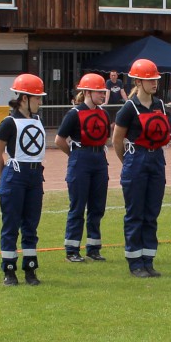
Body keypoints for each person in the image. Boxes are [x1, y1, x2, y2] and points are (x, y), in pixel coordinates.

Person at [112, 59, 170, 278]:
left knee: (151, 212)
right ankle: (135, 261)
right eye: (149, 79)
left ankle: (148, 259)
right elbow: (117, 140)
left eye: (155, 78)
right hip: (136, 159)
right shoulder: (129, 108)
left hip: (157, 161)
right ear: (138, 81)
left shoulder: (160, 105)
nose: (155, 82)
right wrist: (127, 161)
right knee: (135, 213)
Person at [0, 73, 47, 286]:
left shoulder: (37, 120)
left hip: (35, 177)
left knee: (31, 226)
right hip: (15, 175)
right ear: (24, 98)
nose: (40, 103)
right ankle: (9, 270)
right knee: (11, 225)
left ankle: (30, 269)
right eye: (37, 98)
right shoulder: (9, 122)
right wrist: (4, 176)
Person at [55, 73, 110, 263]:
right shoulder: (74, 114)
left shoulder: (103, 113)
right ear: (87, 92)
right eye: (99, 91)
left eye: (103, 91)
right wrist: (74, 156)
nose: (103, 95)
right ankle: (72, 249)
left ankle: (94, 248)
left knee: (97, 206)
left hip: (99, 159)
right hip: (81, 158)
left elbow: (106, 136)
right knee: (77, 207)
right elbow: (59, 140)